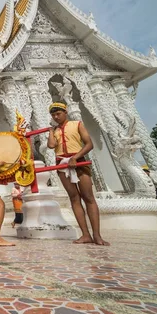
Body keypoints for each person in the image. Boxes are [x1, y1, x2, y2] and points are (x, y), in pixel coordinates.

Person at [48, 102, 109, 246]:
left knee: (88, 197)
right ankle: (85, 234)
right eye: (53, 115)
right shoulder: (55, 130)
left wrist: (75, 157)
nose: (56, 117)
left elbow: (89, 144)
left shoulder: (77, 124)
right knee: (74, 198)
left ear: (65, 112)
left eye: (58, 114)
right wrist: (50, 131)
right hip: (62, 163)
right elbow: (51, 146)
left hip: (78, 160)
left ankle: (97, 235)